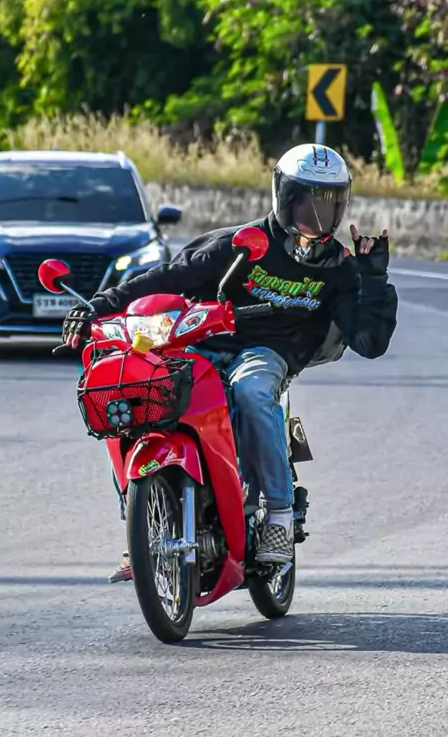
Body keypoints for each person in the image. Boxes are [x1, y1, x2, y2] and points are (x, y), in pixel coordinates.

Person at [63, 143, 398, 583]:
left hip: (268, 354)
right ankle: (140, 523)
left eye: (329, 201)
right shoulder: (236, 245)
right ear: (283, 195)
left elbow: (370, 343)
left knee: (252, 391)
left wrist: (373, 278)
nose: (316, 214)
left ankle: (277, 516)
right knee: (135, 392)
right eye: (306, 201)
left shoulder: (340, 268)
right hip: (200, 344)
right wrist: (98, 305)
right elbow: (167, 277)